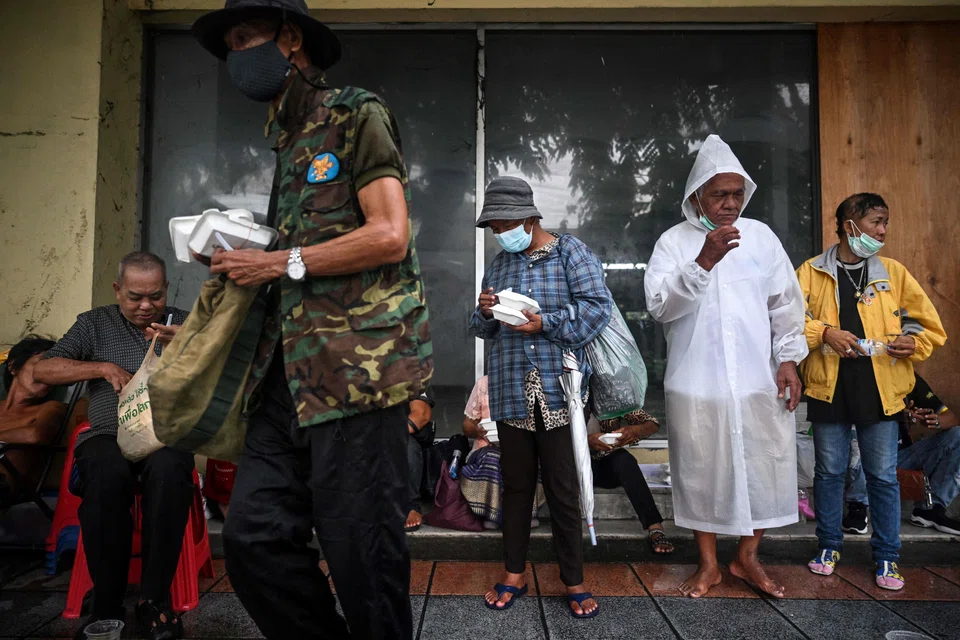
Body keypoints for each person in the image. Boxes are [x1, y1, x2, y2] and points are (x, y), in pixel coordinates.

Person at [191, 2, 433, 638]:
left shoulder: (356, 113)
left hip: (357, 378)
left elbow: (388, 234)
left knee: (365, 565)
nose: (236, 54)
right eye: (230, 45)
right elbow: (293, 264)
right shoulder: (287, 141)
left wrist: (276, 263)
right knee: (252, 539)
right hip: (286, 381)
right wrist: (238, 262)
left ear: (290, 39)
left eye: (245, 38)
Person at [644, 134, 808, 599]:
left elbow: (786, 308)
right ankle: (710, 565)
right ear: (697, 195)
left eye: (738, 193)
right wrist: (704, 260)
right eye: (720, 194)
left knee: (764, 466)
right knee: (702, 471)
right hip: (698, 385)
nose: (731, 203)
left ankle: (747, 558)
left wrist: (789, 361)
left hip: (759, 380)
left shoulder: (762, 238)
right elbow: (660, 307)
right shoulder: (673, 243)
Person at [471, 176, 613, 619]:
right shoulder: (498, 266)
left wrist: (544, 322)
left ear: (530, 218)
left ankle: (573, 580)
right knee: (514, 487)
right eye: (494, 227)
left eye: (505, 223)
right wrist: (483, 310)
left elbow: (597, 307)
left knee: (562, 489)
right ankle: (515, 573)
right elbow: (482, 330)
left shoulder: (572, 252)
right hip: (512, 389)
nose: (500, 233)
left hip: (560, 390)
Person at [33, 252, 191, 640]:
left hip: (164, 436)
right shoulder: (94, 324)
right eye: (135, 296)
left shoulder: (183, 322)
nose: (145, 306)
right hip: (106, 435)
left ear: (166, 290)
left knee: (171, 470)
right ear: (118, 290)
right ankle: (106, 603)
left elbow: (227, 368)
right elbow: (43, 368)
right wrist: (100, 367)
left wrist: (187, 345)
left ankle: (155, 602)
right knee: (106, 474)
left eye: (154, 296)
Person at [797, 192, 946, 591]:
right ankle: (828, 546)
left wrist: (914, 343)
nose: (883, 231)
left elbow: (928, 326)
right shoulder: (810, 272)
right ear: (849, 224)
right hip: (829, 387)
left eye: (885, 223)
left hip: (882, 389)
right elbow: (789, 323)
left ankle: (888, 558)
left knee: (881, 476)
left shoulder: (893, 272)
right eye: (877, 222)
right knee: (828, 473)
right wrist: (824, 332)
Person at [843, 374, 960, 536]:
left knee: (958, 435)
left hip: (902, 456)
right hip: (867, 456)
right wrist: (896, 416)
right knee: (860, 434)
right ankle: (857, 506)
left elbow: (951, 418)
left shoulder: (909, 378)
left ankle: (930, 509)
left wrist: (933, 420)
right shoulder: (861, 376)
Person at [458, 375, 545, 530]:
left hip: (523, 445)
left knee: (525, 458)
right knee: (494, 458)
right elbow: (467, 425)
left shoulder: (534, 383)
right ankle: (493, 515)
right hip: (485, 446)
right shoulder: (484, 384)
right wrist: (478, 430)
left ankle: (527, 514)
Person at [587, 409, 674, 554]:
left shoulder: (611, 397)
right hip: (569, 466)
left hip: (601, 467)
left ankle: (655, 526)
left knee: (624, 460)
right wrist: (586, 440)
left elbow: (652, 423)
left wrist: (635, 430)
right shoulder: (562, 395)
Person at [0, 336, 65, 506]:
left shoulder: (50, 408)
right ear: (14, 367)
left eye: (54, 369)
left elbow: (35, 435)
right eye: (42, 363)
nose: (48, 374)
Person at [405, 390, 434, 532]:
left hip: (401, 435)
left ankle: (411, 506)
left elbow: (420, 415)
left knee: (406, 446)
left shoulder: (410, 375)